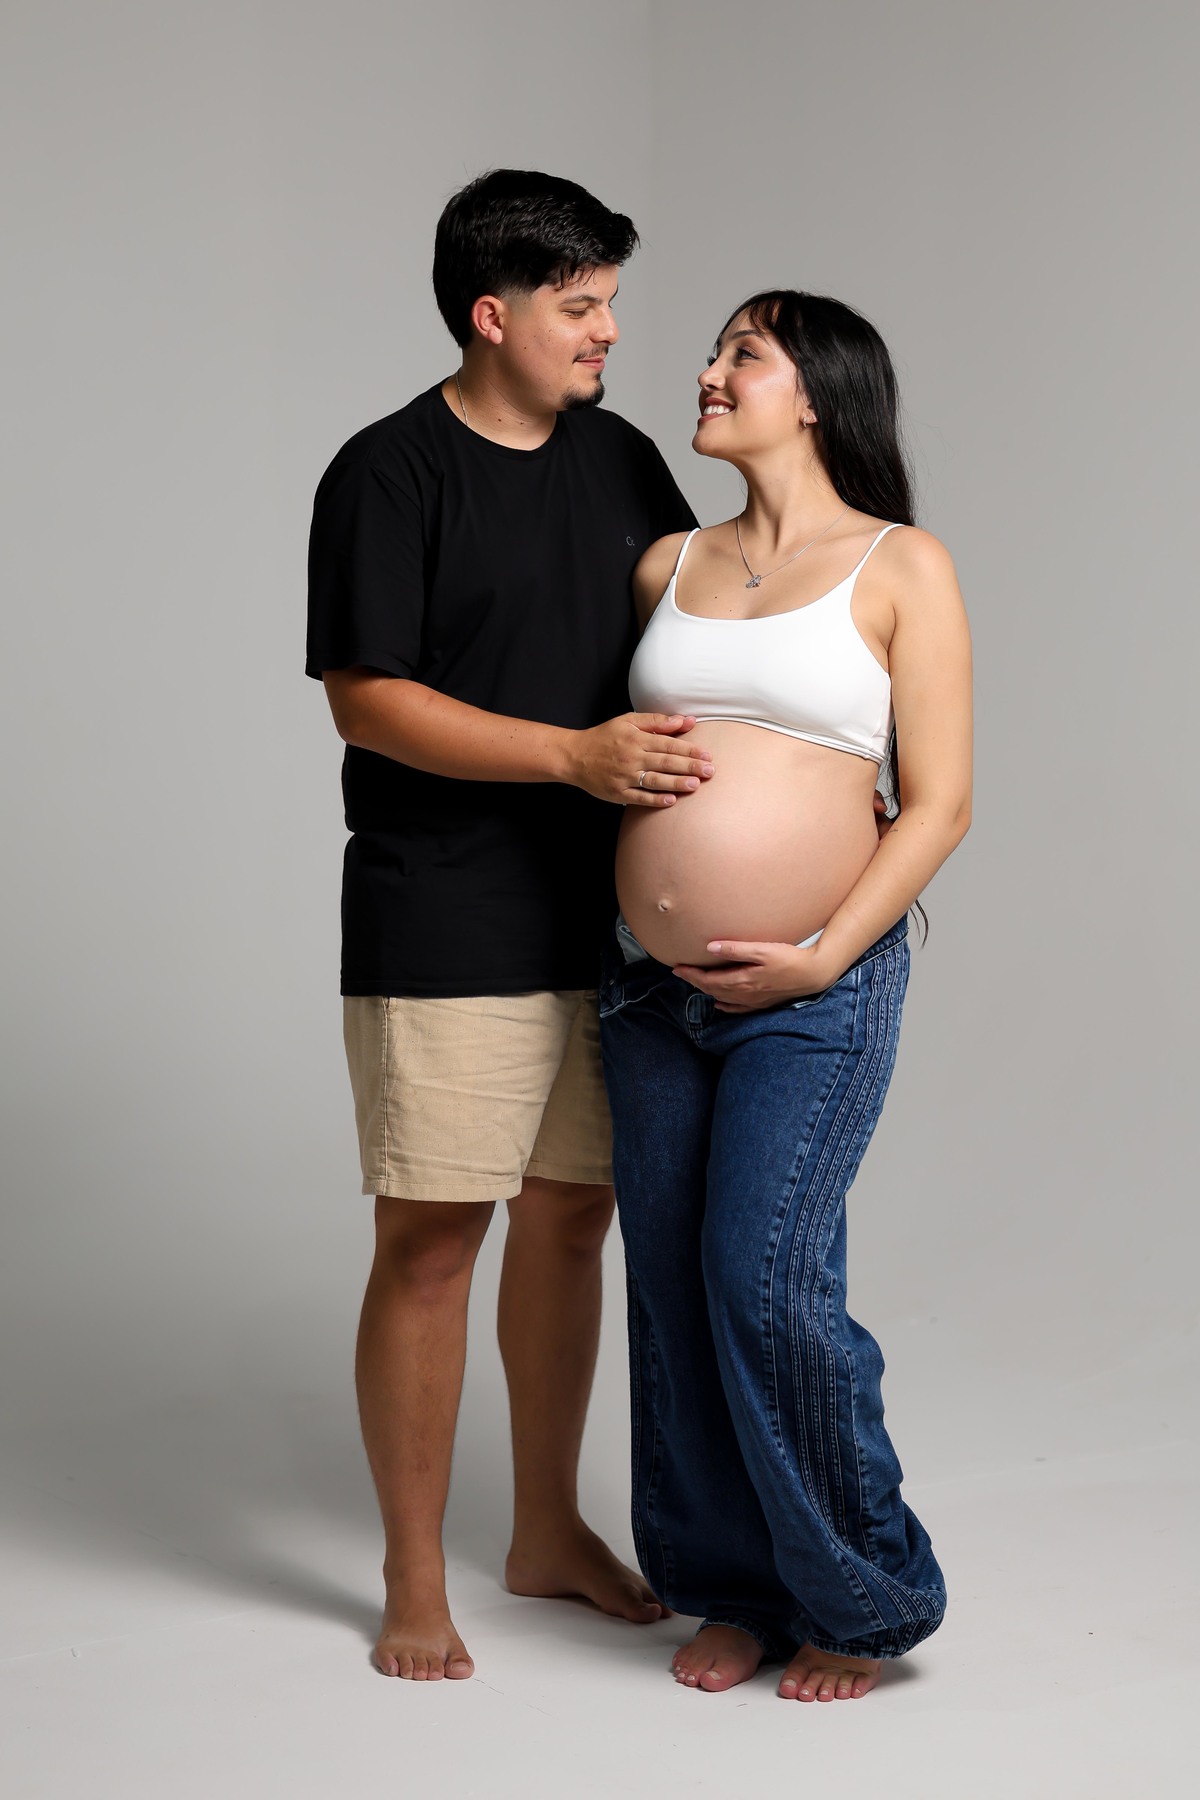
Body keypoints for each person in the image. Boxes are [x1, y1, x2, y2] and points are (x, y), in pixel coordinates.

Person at [305, 169, 707, 1681]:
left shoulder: (624, 459)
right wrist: (570, 757)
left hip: (607, 915)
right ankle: (414, 1575)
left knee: (574, 1217)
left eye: (610, 303)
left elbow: (698, 618)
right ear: (493, 314)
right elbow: (368, 699)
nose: (609, 332)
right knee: (431, 1241)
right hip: (445, 913)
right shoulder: (387, 472)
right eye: (580, 306)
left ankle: (546, 1529)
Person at [599, 289, 973, 1702]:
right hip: (649, 987)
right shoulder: (667, 563)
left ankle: (859, 1598)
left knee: (764, 1282)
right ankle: (733, 1588)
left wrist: (824, 952)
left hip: (818, 984)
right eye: (714, 354)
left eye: (740, 356)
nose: (705, 373)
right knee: (673, 1287)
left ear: (813, 390)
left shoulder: (900, 565)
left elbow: (939, 803)